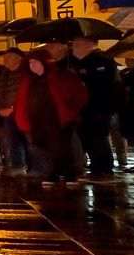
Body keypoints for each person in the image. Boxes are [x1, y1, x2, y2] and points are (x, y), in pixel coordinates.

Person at [17, 41, 87, 188]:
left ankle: (68, 174)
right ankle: (54, 173)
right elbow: (22, 101)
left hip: (59, 119)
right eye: (30, 63)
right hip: (38, 120)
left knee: (63, 147)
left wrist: (70, 111)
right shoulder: (29, 81)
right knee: (47, 148)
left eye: (35, 62)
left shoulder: (60, 76)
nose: (32, 66)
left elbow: (79, 95)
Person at [70, 37, 120, 181]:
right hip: (83, 107)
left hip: (99, 106)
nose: (74, 48)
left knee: (98, 137)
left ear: (88, 45)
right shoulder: (75, 62)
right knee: (87, 137)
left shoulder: (103, 61)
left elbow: (107, 84)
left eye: (77, 45)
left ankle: (104, 169)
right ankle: (97, 167)